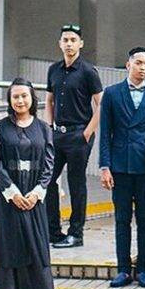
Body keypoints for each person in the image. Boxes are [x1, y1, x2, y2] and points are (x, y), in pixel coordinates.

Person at [0, 78, 57, 289]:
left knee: (34, 245)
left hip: (34, 197)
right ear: (9, 100)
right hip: (8, 197)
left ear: (32, 98)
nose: (20, 100)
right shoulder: (0, 127)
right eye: (15, 96)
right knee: (10, 245)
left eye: (24, 96)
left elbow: (49, 162)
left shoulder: (43, 128)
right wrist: (13, 192)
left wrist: (38, 191)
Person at [99, 46, 145, 288]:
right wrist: (104, 166)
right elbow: (105, 132)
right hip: (120, 166)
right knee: (121, 219)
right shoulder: (112, 94)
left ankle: (144, 269)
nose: (144, 68)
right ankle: (123, 269)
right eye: (139, 63)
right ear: (128, 65)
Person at [45, 24, 103, 249]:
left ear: (81, 44)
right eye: (65, 40)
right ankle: (53, 231)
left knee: (76, 183)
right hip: (57, 134)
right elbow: (48, 100)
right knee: (48, 179)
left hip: (80, 134)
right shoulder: (53, 70)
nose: (69, 44)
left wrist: (87, 132)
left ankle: (76, 233)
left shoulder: (88, 71)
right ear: (60, 43)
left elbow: (101, 104)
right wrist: (49, 127)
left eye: (73, 40)